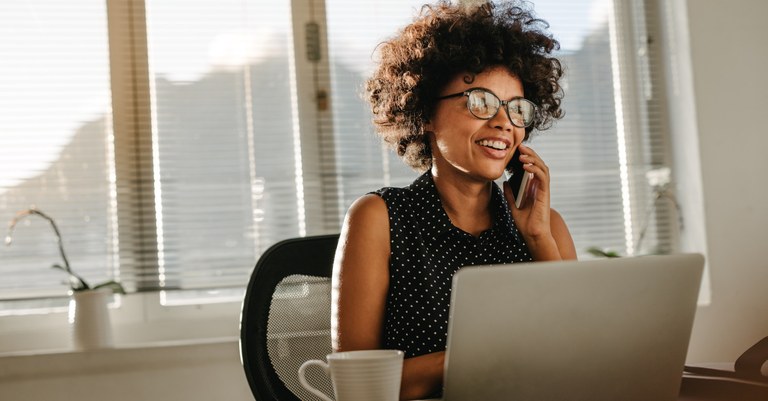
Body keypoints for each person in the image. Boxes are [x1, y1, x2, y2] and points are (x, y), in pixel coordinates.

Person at [331, 1, 577, 399]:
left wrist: (538, 240)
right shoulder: (380, 218)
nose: (502, 123)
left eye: (517, 109)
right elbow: (357, 387)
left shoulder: (546, 226)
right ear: (426, 112)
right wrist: (483, 355)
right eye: (480, 101)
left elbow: (581, 359)